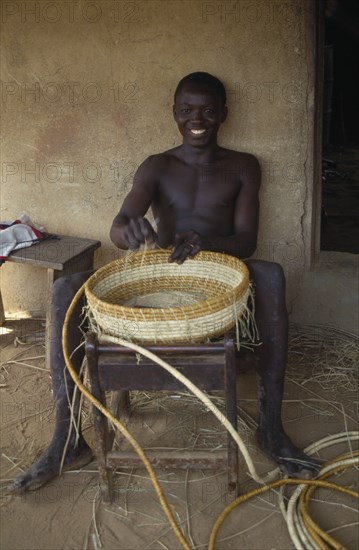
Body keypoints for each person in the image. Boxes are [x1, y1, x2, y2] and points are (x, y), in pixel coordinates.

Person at [9, 72, 319, 494]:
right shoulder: (158, 165)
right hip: (163, 272)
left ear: (223, 115)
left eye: (209, 111)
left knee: (271, 273)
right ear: (174, 114)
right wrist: (129, 231)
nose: (198, 120)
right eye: (187, 111)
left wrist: (208, 242)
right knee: (66, 289)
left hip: (218, 276)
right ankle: (66, 438)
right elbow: (120, 226)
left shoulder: (243, 165)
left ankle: (271, 430)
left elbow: (246, 242)